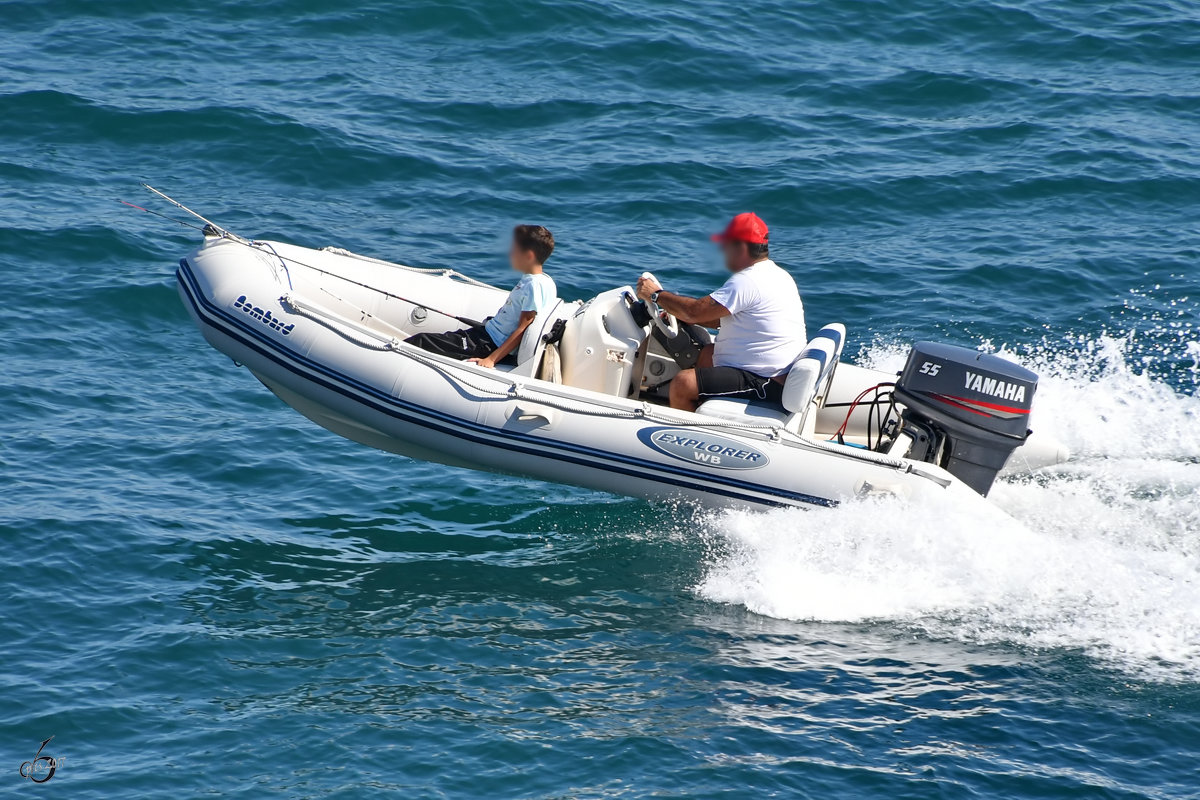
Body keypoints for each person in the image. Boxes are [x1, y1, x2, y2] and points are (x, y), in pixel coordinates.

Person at [635, 213, 806, 412]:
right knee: (709, 354)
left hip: (767, 383)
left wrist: (656, 295)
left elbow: (694, 311)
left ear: (740, 248)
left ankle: (685, 437)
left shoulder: (747, 281)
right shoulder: (778, 275)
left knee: (683, 384)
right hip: (778, 373)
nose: (723, 252)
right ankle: (704, 412)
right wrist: (681, 314)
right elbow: (722, 318)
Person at [407, 225, 557, 368]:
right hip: (487, 334)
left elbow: (523, 328)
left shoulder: (533, 286)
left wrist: (492, 359)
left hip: (489, 343)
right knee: (446, 338)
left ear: (529, 255)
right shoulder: (545, 281)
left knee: (421, 340)